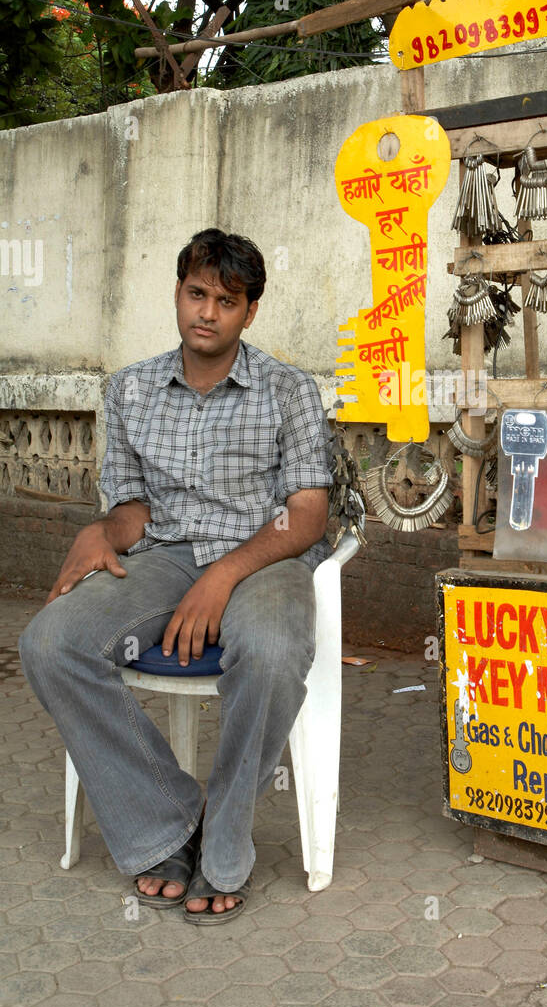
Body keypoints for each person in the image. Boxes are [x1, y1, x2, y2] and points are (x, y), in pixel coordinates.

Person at [18, 228, 333, 923]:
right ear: (177, 295)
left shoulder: (289, 392)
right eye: (197, 294)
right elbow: (132, 510)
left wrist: (223, 575)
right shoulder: (130, 390)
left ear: (250, 311)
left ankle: (223, 843)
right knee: (49, 644)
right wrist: (100, 531)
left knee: (274, 651)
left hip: (265, 555)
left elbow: (307, 514)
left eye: (227, 300)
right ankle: (168, 819)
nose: (208, 312)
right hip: (161, 555)